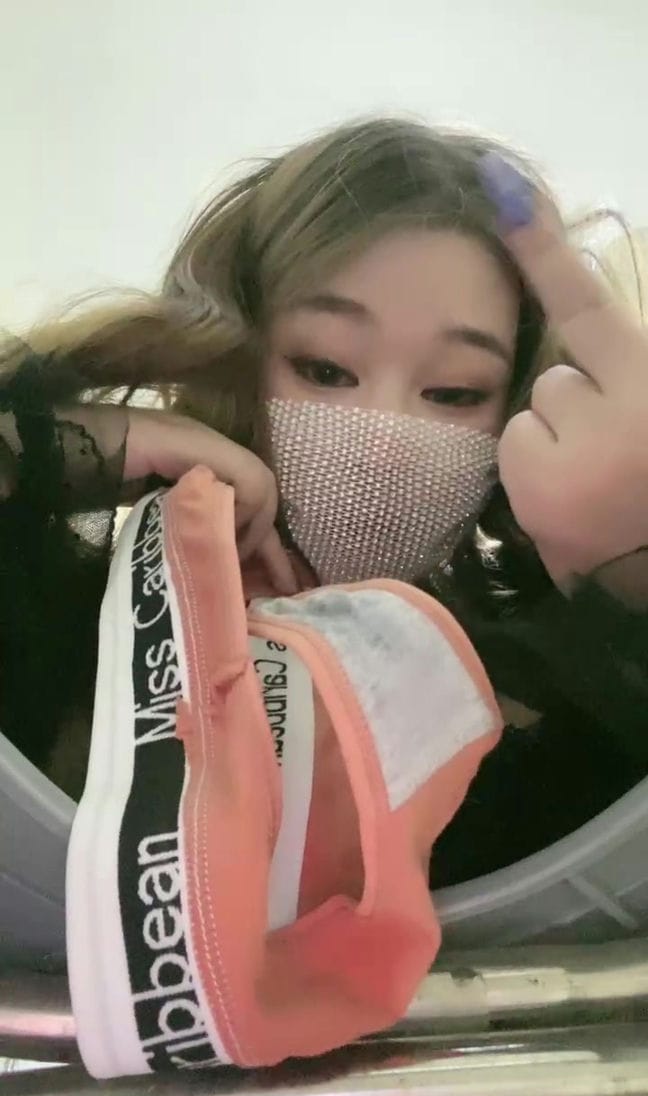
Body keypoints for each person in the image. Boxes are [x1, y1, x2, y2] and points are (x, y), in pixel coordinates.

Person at [2, 117, 648, 886]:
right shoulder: (68, 622)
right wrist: (57, 446)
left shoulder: (544, 699)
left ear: (515, 412)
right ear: (234, 354)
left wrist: (631, 574)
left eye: (454, 391)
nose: (383, 445)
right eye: (325, 369)